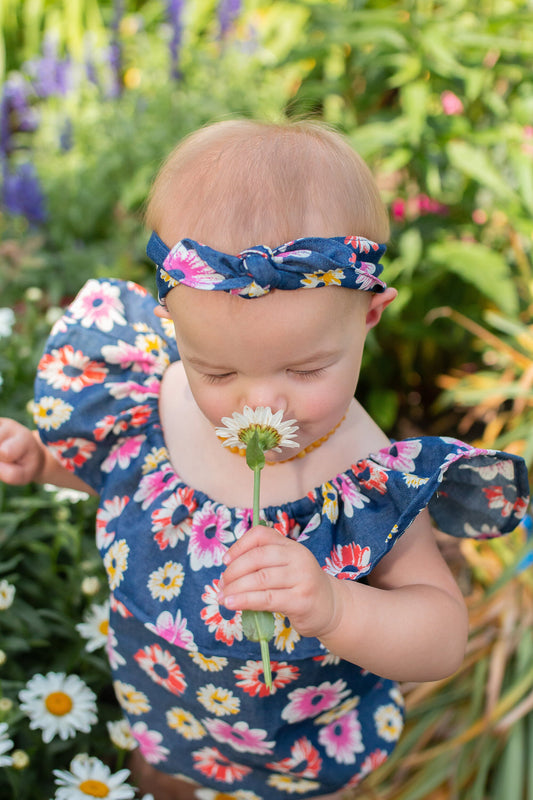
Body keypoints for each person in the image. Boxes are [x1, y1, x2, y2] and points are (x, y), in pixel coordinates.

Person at [0, 120, 529, 800]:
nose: (260, 403)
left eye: (305, 368)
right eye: (217, 373)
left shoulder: (368, 482)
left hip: (300, 758)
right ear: (173, 325)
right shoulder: (157, 401)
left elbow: (439, 638)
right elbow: (122, 479)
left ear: (368, 317)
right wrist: (43, 462)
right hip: (168, 715)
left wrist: (334, 606)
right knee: (159, 783)